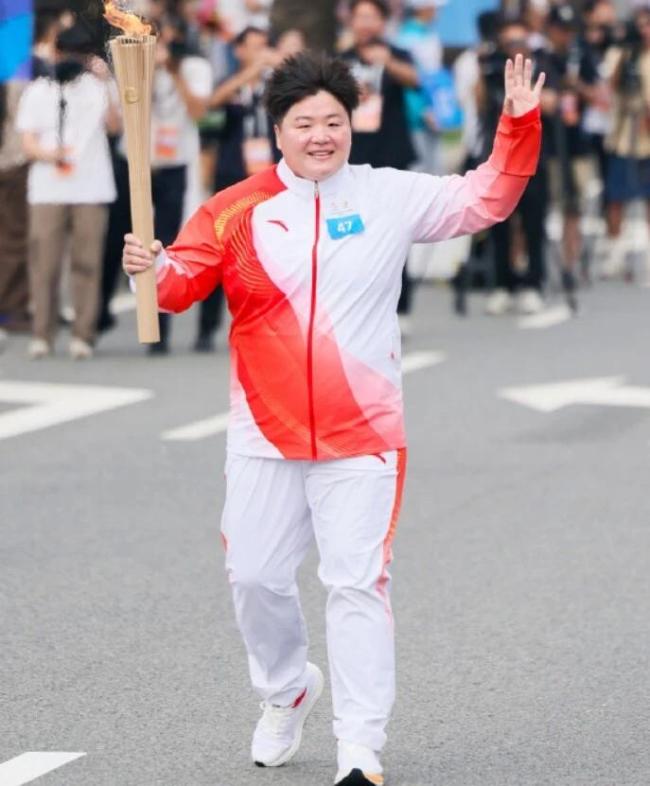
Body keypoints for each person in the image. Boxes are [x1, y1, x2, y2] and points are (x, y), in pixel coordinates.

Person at [122, 51, 543, 786]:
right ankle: (286, 689)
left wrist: (517, 121)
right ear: (277, 131)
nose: (321, 135)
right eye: (304, 123)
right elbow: (180, 285)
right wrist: (151, 269)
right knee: (254, 577)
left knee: (356, 583)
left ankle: (360, 746)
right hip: (264, 431)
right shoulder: (235, 209)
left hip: (363, 434)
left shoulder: (389, 195)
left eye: (334, 121)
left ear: (352, 124)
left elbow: (489, 198)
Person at [17, 23, 120, 359]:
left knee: (87, 263)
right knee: (44, 264)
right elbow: (27, 141)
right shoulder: (37, 91)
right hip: (48, 190)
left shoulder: (97, 88)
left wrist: (107, 82)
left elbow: (115, 127)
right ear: (56, 53)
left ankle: (83, 334)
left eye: (80, 55)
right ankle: (42, 334)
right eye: (68, 54)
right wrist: (53, 155)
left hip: (91, 187)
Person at [341, 0, 420, 335]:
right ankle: (358, 307)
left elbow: (416, 81)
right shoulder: (342, 60)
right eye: (360, 17)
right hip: (352, 156)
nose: (365, 23)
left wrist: (388, 63)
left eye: (371, 17)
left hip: (391, 153)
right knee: (351, 232)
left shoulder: (397, 54)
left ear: (383, 22)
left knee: (394, 230)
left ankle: (400, 308)